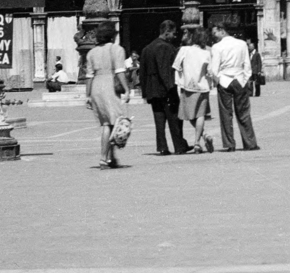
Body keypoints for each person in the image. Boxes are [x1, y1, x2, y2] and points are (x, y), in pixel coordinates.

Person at [210, 16, 260, 151]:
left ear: (221, 30)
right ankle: (250, 143)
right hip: (239, 79)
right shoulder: (241, 44)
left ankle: (229, 144)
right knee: (243, 113)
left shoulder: (217, 47)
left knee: (226, 114)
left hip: (225, 80)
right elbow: (246, 64)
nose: (214, 36)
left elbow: (214, 69)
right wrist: (246, 79)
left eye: (215, 32)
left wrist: (217, 81)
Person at [139, 19, 187, 156]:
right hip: (165, 89)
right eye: (173, 33)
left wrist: (145, 92)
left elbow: (142, 72)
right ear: (167, 33)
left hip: (152, 90)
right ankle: (179, 146)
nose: (174, 36)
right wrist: (171, 88)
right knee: (174, 119)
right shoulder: (164, 47)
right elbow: (164, 70)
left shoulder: (147, 48)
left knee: (159, 120)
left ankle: (162, 147)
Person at [86, 21, 128, 169]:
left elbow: (89, 76)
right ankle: (106, 158)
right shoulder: (117, 49)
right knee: (114, 123)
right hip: (110, 85)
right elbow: (119, 71)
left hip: (97, 86)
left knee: (106, 123)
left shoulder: (91, 52)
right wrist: (127, 89)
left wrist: (88, 95)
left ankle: (109, 157)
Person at [174, 26, 214, 152]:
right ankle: (198, 140)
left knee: (190, 116)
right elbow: (209, 72)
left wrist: (178, 82)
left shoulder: (184, 50)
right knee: (200, 114)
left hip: (188, 87)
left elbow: (176, 66)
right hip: (203, 87)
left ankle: (201, 137)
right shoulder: (207, 53)